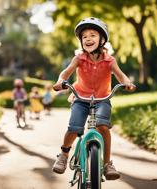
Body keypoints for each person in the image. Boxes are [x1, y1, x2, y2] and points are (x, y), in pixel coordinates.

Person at [52, 17, 136, 180]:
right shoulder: (79, 59)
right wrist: (60, 81)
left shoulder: (109, 60)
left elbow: (121, 76)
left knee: (103, 126)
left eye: (93, 35)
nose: (88, 39)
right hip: (80, 98)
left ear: (102, 40)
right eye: (84, 37)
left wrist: (127, 83)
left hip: (102, 99)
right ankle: (63, 155)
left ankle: (107, 164)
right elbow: (66, 72)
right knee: (74, 127)